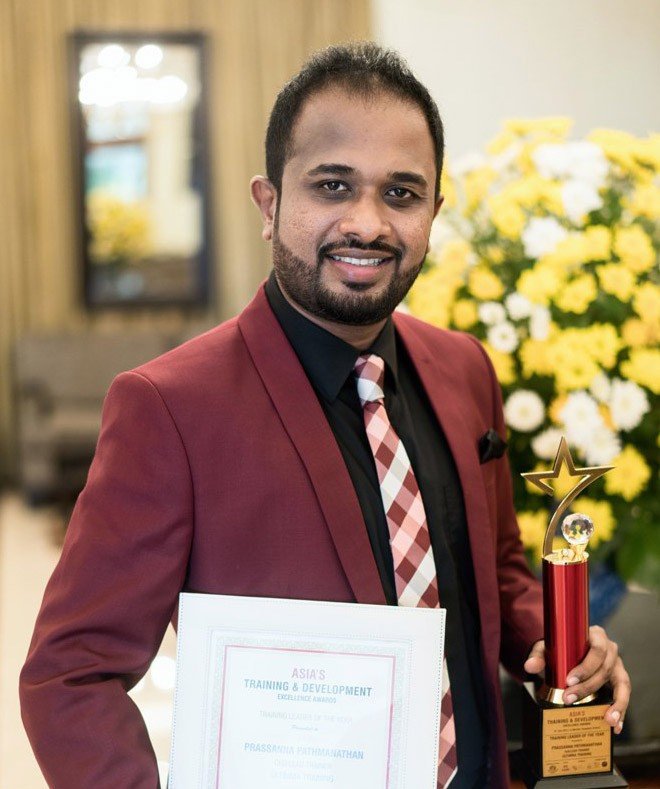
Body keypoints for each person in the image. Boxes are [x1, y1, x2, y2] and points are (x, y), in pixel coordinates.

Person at [20, 43, 630, 788]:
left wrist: (563, 643)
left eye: (401, 193)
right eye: (332, 185)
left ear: (434, 213)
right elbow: (71, 674)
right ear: (269, 204)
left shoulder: (464, 369)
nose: (367, 224)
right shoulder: (170, 408)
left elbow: (494, 571)